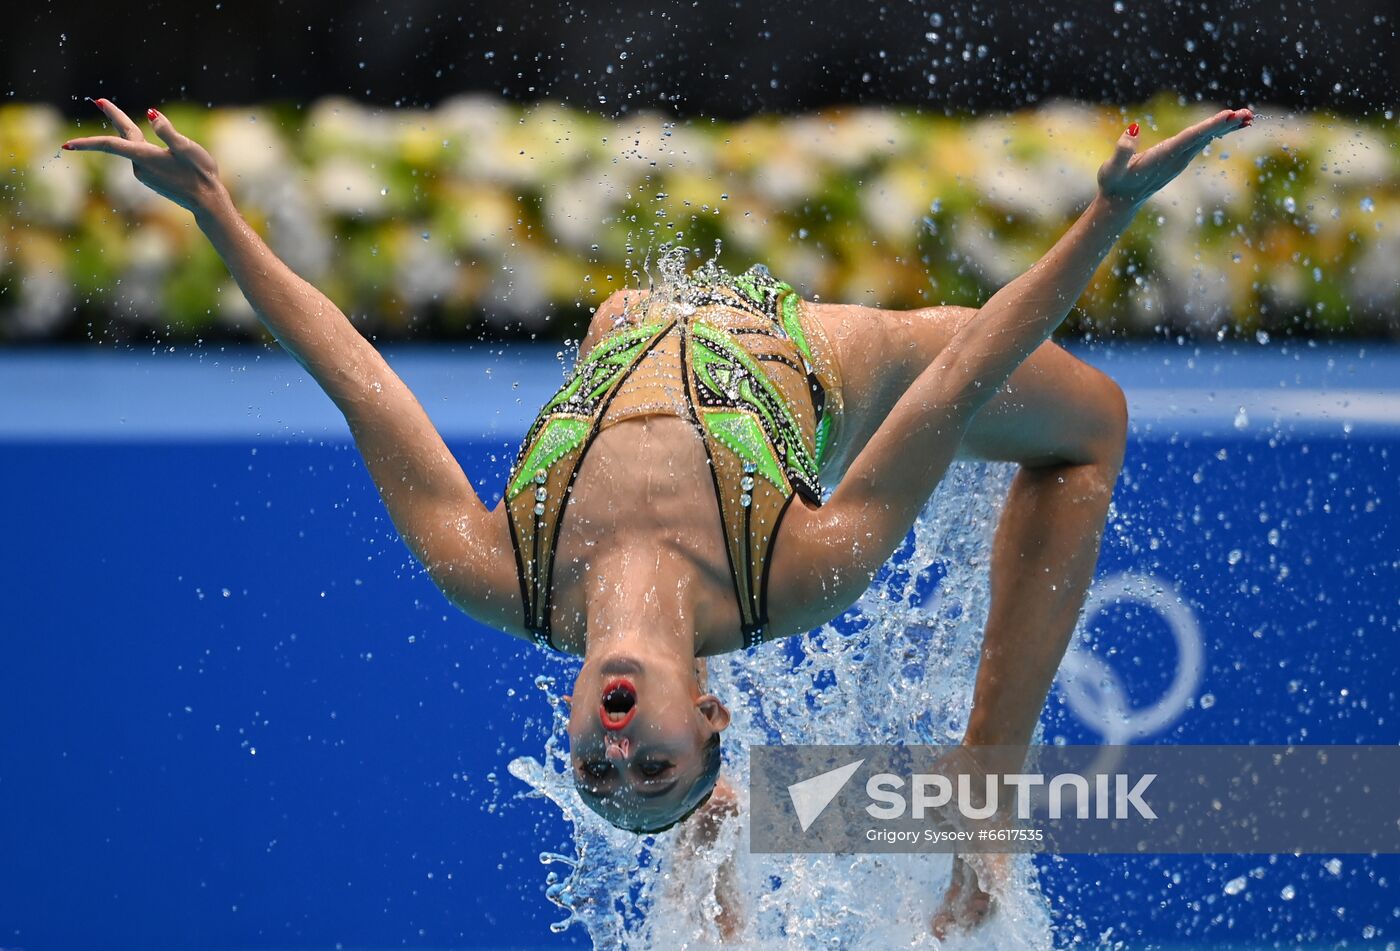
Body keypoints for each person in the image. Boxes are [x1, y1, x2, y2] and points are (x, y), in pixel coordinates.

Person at [63, 99, 1252, 936]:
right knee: (1089, 422)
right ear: (711, 709)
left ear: (572, 720)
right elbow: (956, 384)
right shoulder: (796, 570)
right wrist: (1106, 216)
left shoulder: (492, 570)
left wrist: (215, 209)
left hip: (633, 321)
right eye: (657, 766)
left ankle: (745, 840)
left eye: (599, 766)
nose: (619, 750)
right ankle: (987, 772)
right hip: (830, 361)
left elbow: (358, 378)